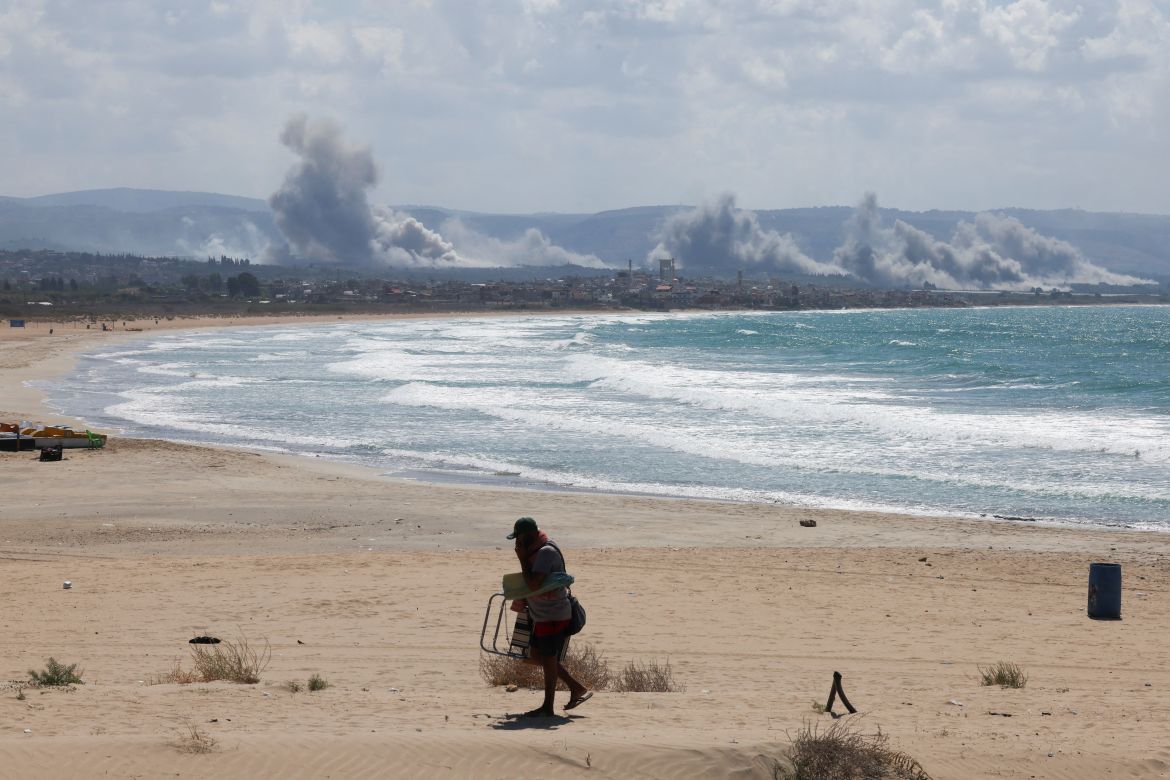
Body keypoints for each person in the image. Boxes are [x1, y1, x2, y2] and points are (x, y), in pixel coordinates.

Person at [507, 516, 592, 717]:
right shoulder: (538, 549)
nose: (517, 544)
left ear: (528, 536)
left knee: (547, 657)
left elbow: (534, 584)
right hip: (543, 614)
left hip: (552, 615)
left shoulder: (545, 552)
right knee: (538, 656)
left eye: (519, 539)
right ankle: (576, 687)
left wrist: (521, 558)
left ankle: (548, 707)